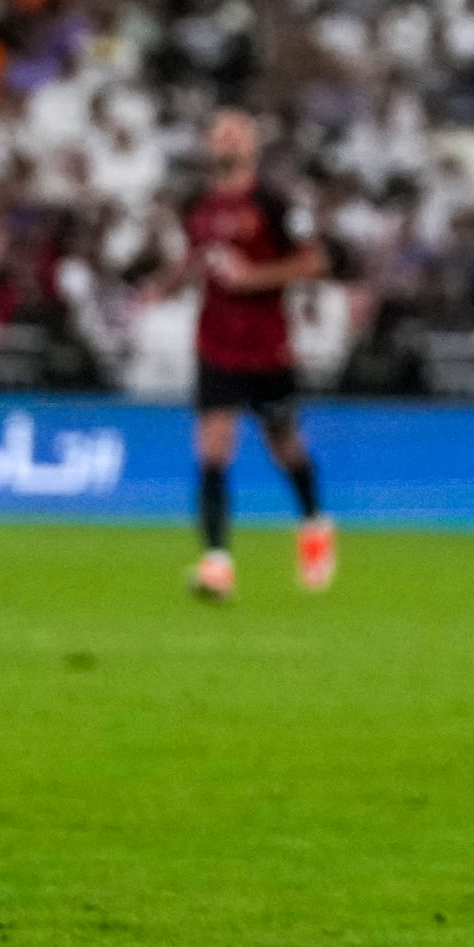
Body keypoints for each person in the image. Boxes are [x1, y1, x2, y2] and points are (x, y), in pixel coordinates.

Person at [173, 109, 335, 601]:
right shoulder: (198, 206)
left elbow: (315, 261)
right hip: (215, 343)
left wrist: (253, 278)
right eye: (218, 133)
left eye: (235, 134)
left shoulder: (275, 203)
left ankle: (313, 523)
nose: (225, 141)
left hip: (267, 346)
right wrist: (167, 283)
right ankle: (217, 563)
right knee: (213, 446)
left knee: (283, 444)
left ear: (251, 146)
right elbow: (197, 259)